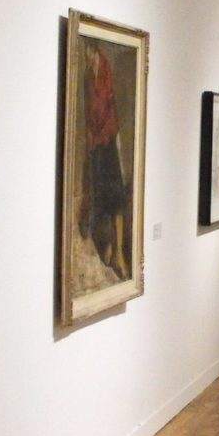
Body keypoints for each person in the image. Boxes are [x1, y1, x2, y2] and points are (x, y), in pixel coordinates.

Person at [83, 44, 130, 280]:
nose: (85, 57)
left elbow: (105, 107)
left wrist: (104, 135)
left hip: (108, 142)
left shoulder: (104, 70)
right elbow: (90, 112)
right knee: (102, 199)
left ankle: (118, 252)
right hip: (96, 145)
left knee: (116, 198)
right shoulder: (88, 76)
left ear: (92, 51)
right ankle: (111, 249)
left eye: (87, 53)